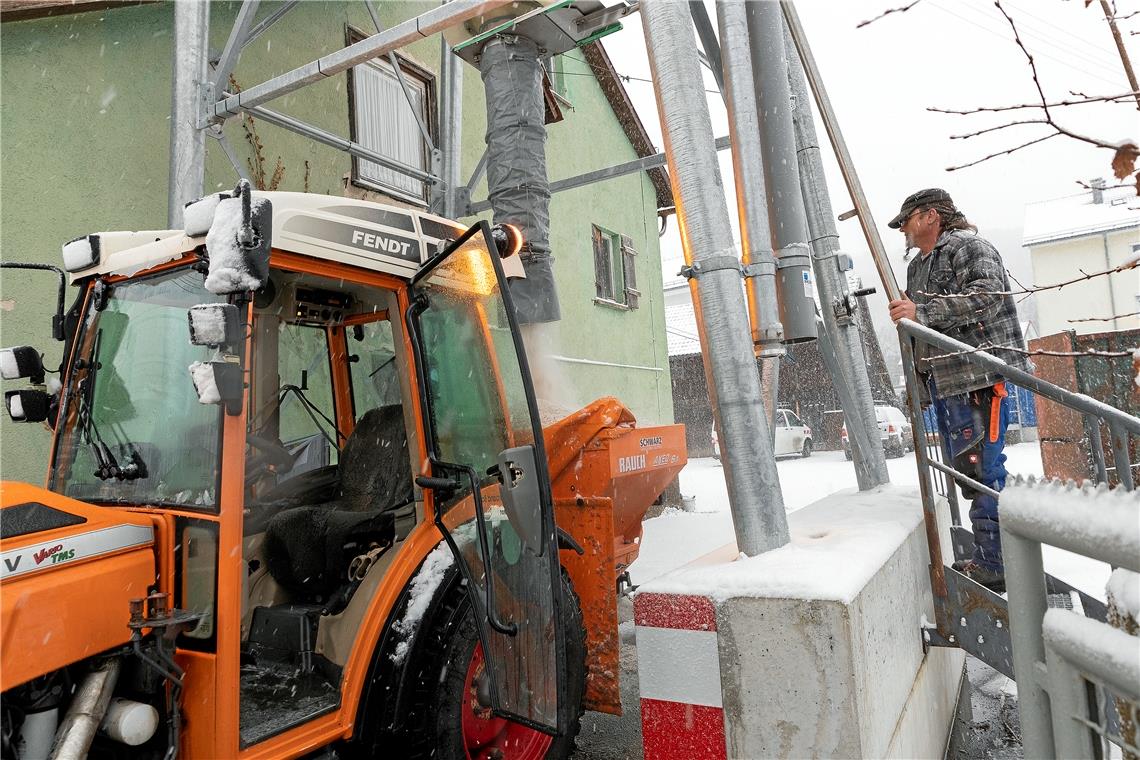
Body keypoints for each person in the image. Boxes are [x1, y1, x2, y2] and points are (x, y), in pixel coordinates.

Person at [886, 188, 1031, 592]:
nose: (903, 230)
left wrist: (922, 312)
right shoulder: (918, 268)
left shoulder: (969, 248)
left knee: (986, 470)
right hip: (948, 382)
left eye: (907, 220)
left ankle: (996, 562)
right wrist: (919, 383)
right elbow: (920, 331)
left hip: (981, 379)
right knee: (970, 474)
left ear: (931, 216)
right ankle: (993, 554)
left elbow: (986, 297)